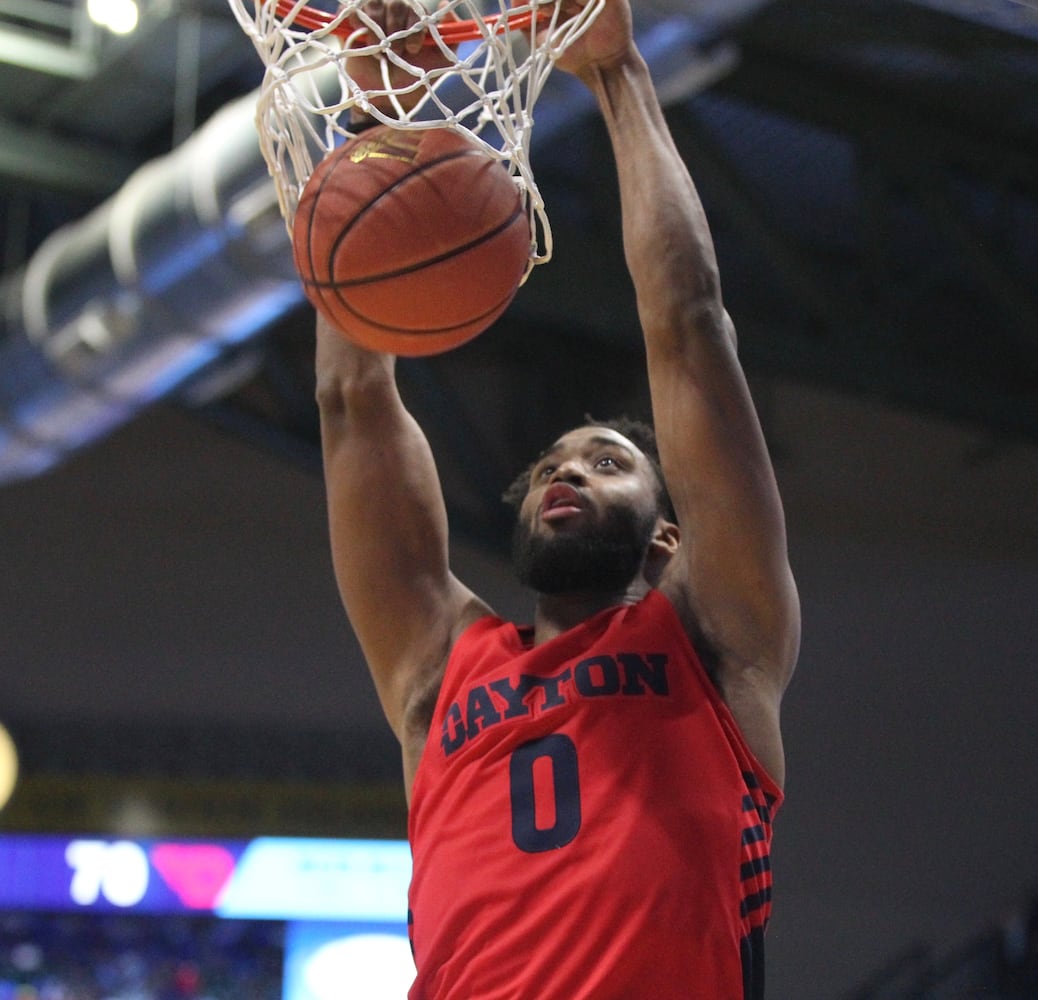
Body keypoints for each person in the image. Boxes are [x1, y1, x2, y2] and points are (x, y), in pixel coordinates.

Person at [313, 0, 801, 996]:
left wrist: (618, 78)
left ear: (668, 538)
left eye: (608, 462)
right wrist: (376, 114)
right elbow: (350, 401)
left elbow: (689, 320)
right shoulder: (438, 669)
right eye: (551, 467)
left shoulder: (715, 640)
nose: (567, 471)